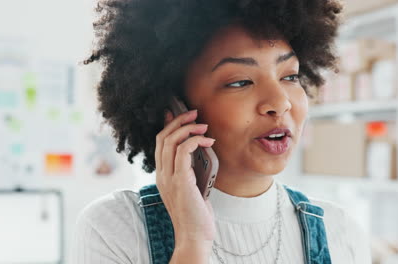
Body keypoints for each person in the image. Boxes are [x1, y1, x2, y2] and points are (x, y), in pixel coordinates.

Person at [73, 0, 371, 263]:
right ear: (175, 109)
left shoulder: (341, 232)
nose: (279, 102)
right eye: (240, 82)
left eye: (290, 76)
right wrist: (192, 241)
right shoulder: (114, 229)